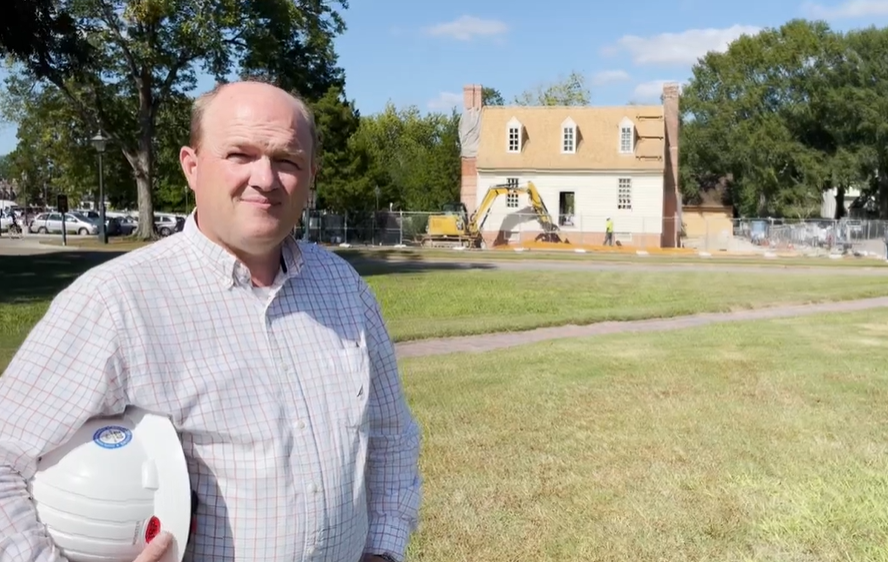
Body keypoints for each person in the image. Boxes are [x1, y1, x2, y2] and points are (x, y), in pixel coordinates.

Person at [0, 80, 422, 562]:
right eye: (240, 155)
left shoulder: (345, 291)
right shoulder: (118, 302)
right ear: (192, 166)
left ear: (310, 177)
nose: (265, 178)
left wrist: (384, 549)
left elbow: (393, 437)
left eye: (287, 160)